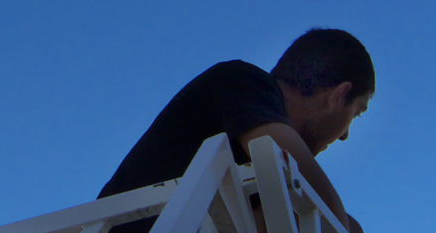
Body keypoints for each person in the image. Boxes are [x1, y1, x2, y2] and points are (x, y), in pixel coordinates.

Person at [98, 28, 374, 233]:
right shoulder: (243, 81)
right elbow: (293, 165)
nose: (344, 134)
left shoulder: (252, 175)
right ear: (338, 96)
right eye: (356, 113)